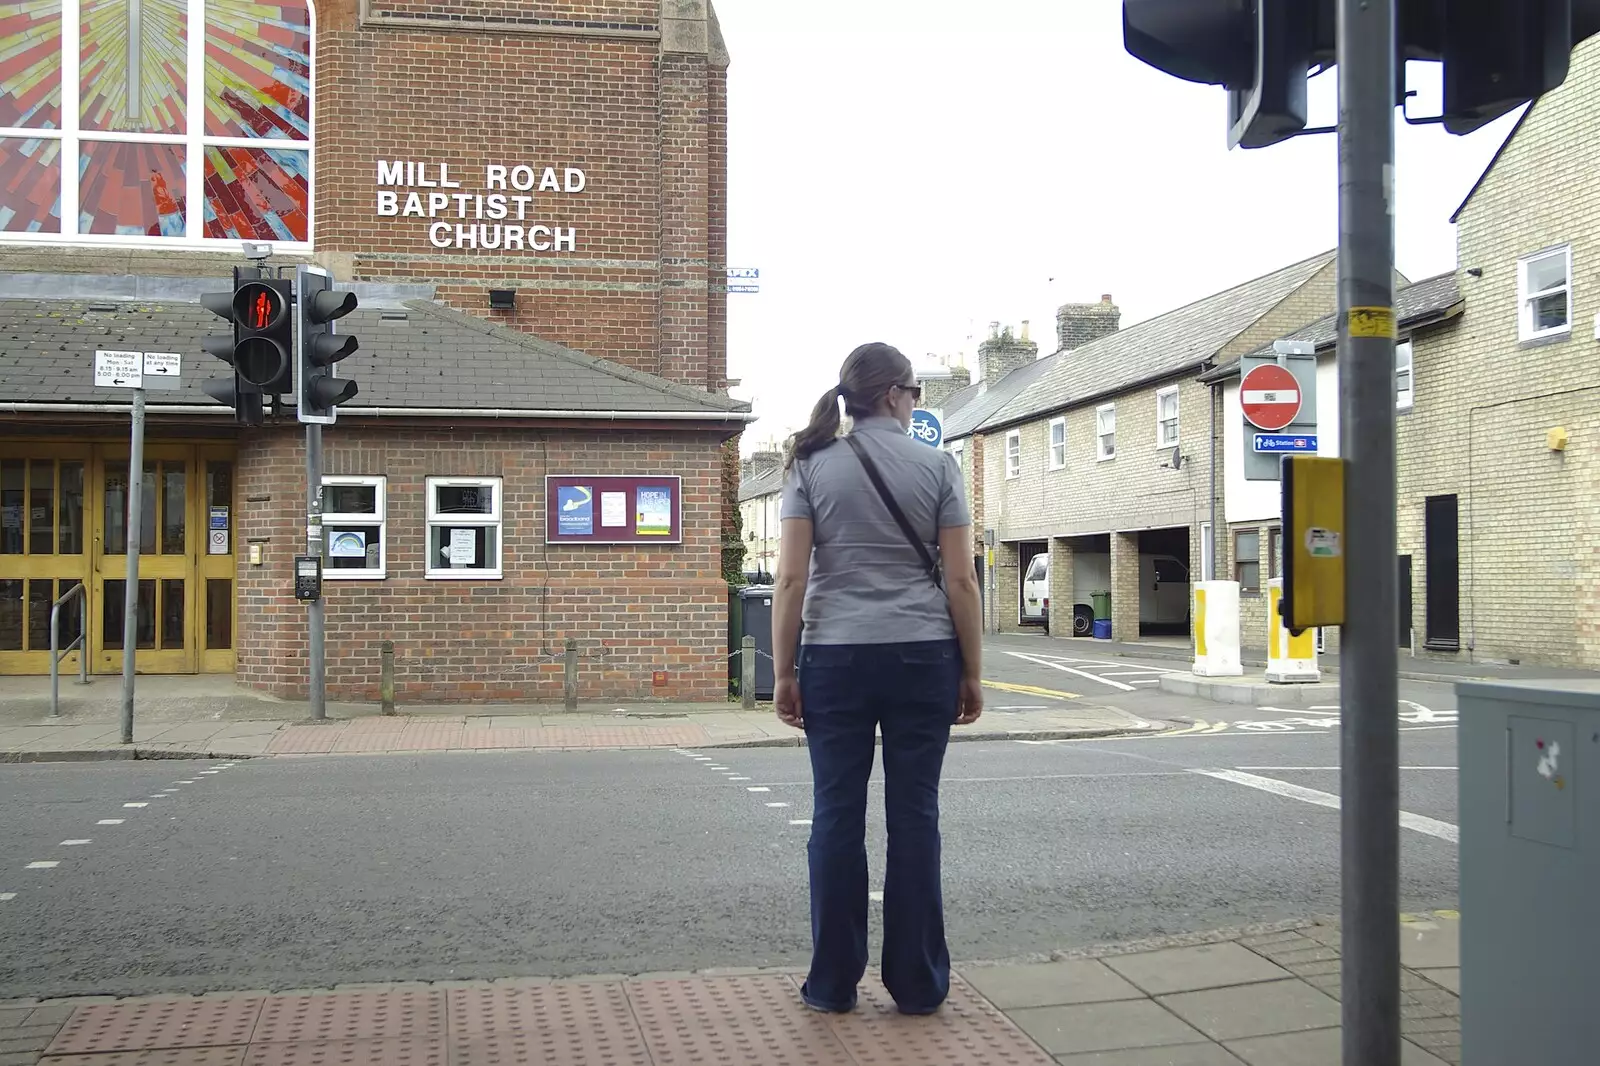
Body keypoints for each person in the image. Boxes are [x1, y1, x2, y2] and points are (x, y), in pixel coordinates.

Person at [770, 341, 985, 1016]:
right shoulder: (938, 466)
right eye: (916, 390)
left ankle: (832, 984)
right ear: (894, 393)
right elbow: (960, 579)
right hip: (924, 655)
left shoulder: (809, 467)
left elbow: (790, 579)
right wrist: (972, 670)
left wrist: (784, 672)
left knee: (836, 814)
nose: (917, 400)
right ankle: (918, 985)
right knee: (915, 815)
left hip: (834, 657)